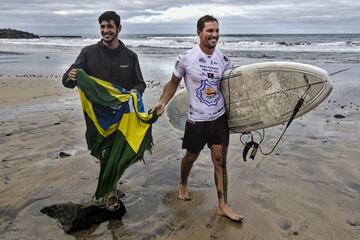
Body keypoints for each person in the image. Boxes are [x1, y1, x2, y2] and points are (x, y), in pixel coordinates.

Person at [153, 15, 243, 222]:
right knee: (191, 157)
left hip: (219, 119)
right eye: (210, 31)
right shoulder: (186, 58)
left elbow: (232, 90)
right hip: (196, 120)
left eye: (217, 30)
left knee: (220, 161)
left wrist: (243, 118)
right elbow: (173, 83)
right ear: (199, 33)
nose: (214, 35)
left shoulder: (224, 60)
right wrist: (162, 102)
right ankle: (183, 183)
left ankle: (222, 205)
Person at [62, 11, 146, 211]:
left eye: (109, 26)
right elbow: (68, 81)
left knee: (118, 150)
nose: (106, 31)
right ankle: (111, 188)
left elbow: (140, 83)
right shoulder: (88, 53)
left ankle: (111, 187)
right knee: (104, 151)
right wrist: (70, 75)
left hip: (122, 115)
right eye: (103, 27)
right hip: (98, 116)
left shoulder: (130, 56)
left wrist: (135, 92)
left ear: (118, 28)